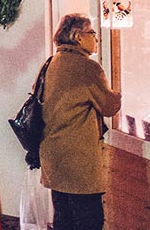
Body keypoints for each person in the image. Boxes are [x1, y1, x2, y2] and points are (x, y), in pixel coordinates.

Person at [41, 13, 121, 230]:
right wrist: (116, 94)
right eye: (92, 33)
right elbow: (109, 106)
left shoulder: (51, 63)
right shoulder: (88, 68)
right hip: (79, 159)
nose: (96, 38)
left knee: (63, 218)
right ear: (78, 37)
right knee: (89, 219)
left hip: (54, 156)